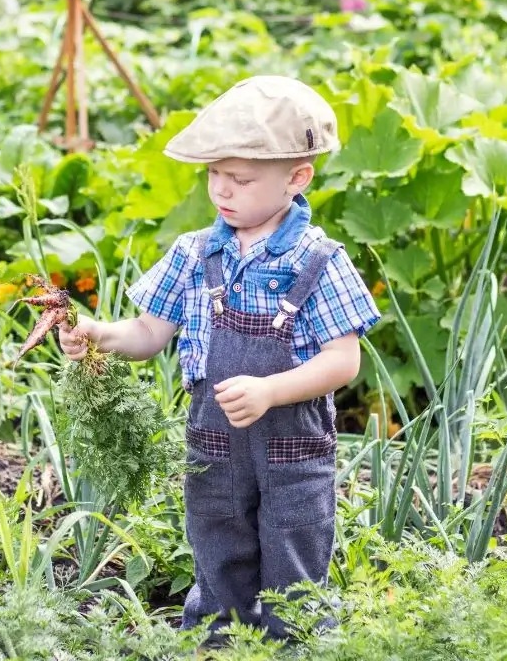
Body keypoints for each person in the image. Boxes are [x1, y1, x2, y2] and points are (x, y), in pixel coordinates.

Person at [58, 75, 381, 645]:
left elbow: (342, 362)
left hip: (292, 451)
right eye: (214, 175)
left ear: (297, 178)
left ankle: (295, 648)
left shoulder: (320, 261)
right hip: (214, 445)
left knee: (293, 559)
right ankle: (216, 645)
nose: (222, 192)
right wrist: (98, 334)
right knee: (217, 544)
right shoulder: (195, 252)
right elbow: (149, 332)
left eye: (241, 179)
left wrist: (271, 391)